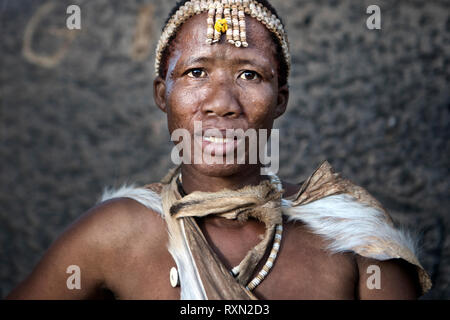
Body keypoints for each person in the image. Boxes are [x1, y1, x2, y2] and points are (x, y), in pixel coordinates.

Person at [7, 0, 431, 300]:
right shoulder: (116, 235)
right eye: (195, 72)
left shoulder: (352, 236)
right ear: (163, 93)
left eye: (249, 74)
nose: (221, 102)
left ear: (280, 99)